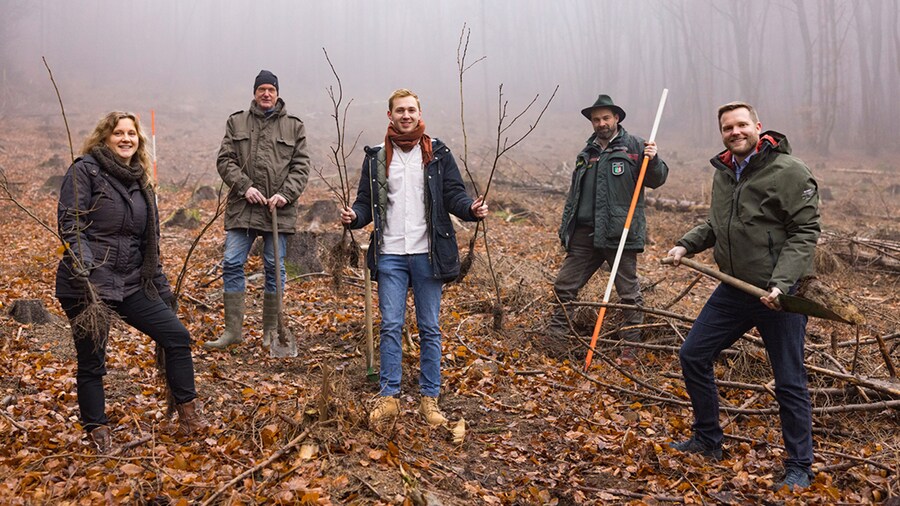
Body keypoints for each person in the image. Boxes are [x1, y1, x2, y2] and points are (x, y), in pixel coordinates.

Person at [666, 102, 820, 491]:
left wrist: (781, 284)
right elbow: (718, 224)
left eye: (741, 125)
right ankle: (707, 440)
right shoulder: (725, 172)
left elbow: (805, 232)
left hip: (779, 295)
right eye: (727, 127)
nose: (734, 132)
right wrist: (686, 246)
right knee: (693, 355)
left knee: (789, 380)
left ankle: (799, 465)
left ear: (757, 127)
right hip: (735, 289)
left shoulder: (789, 171)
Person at [56, 111, 207, 452]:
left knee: (177, 336)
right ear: (104, 138)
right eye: (119, 133)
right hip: (87, 285)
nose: (126, 139)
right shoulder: (85, 171)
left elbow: (149, 242)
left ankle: (189, 417)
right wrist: (85, 266)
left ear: (139, 140)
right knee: (93, 361)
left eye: (132, 134)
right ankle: (98, 432)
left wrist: (163, 292)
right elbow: (71, 223)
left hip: (130, 284)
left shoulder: (142, 182)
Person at [340, 89, 488, 426]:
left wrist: (471, 210)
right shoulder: (376, 157)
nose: (405, 116)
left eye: (411, 110)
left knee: (430, 327)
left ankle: (429, 399)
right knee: (391, 325)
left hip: (428, 254)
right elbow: (366, 202)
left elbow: (454, 196)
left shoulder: (437, 152)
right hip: (389, 252)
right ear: (389, 116)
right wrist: (355, 217)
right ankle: (389, 396)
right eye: (399, 111)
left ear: (420, 114)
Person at [548, 94, 668, 353]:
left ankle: (630, 347)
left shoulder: (636, 147)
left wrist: (654, 159)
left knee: (628, 293)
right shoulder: (586, 152)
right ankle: (555, 341)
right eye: (596, 120)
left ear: (616, 118)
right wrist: (565, 227)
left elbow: (657, 179)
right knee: (564, 287)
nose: (601, 123)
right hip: (584, 233)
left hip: (619, 231)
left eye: (605, 118)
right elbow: (574, 195)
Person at [205, 70, 310, 350]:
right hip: (244, 207)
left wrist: (285, 195)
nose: (266, 94)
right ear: (254, 92)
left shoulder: (294, 126)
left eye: (271, 90)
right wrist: (244, 186)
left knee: (275, 268)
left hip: (279, 210)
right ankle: (232, 331)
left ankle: (271, 333)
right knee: (230, 261)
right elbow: (225, 160)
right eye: (261, 89)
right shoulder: (237, 121)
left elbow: (301, 167)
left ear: (277, 93)